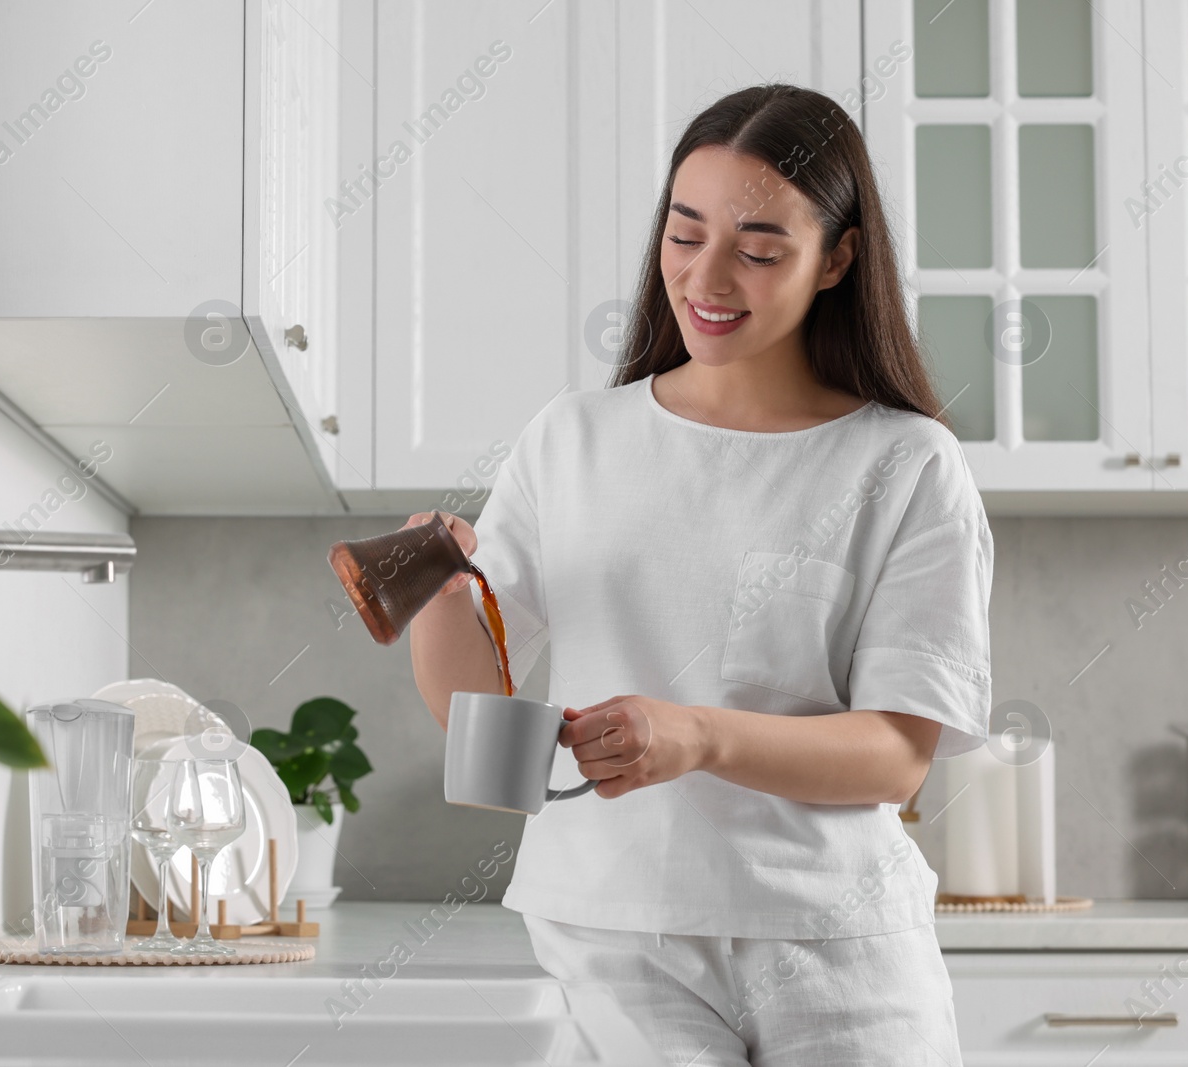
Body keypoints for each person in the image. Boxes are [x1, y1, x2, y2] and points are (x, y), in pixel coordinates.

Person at [406, 83, 992, 1067]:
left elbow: (895, 753)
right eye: (684, 235)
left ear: (837, 258)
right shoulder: (573, 439)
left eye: (759, 248)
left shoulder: (904, 462)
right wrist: (437, 588)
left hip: (839, 949)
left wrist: (698, 734)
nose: (707, 276)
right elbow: (485, 729)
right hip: (609, 937)